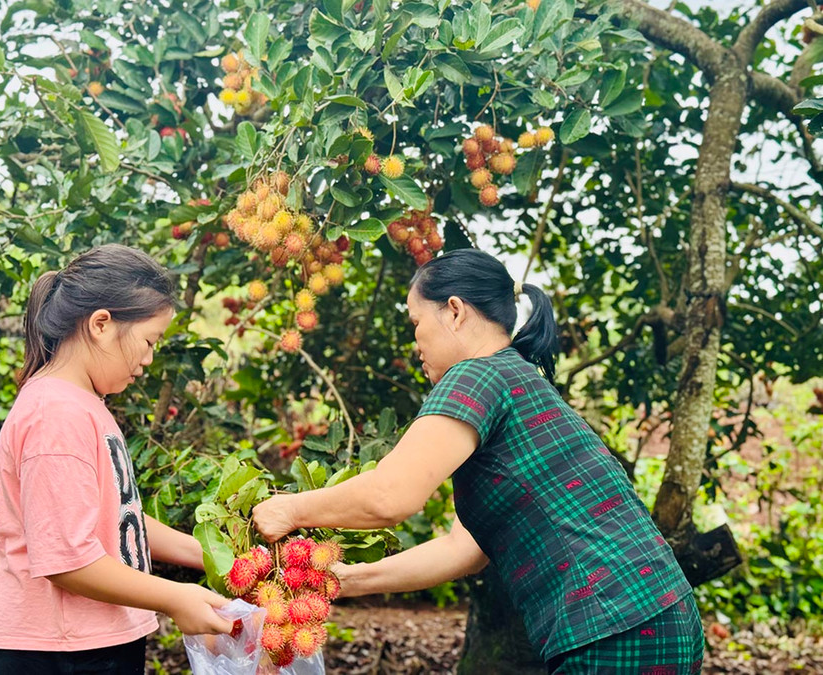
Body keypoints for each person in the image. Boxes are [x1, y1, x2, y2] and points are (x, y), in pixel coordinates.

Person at [253, 248, 704, 674]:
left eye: (415, 322)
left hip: (613, 624)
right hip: (659, 615)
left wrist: (288, 509)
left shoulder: (477, 374)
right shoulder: (518, 379)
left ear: (454, 310)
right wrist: (346, 580)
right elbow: (462, 551)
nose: (416, 342)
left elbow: (390, 495)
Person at [0, 245, 232, 675]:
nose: (149, 359)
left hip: (90, 642)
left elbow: (113, 518)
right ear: (100, 325)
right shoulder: (55, 413)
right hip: (54, 651)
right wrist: (175, 597)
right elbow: (66, 561)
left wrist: (215, 555)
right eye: (149, 341)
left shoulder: (84, 404)